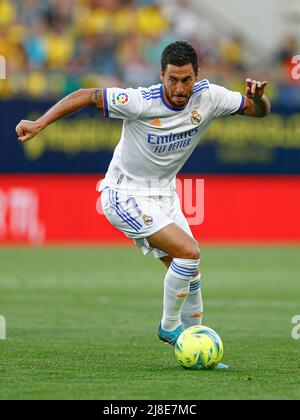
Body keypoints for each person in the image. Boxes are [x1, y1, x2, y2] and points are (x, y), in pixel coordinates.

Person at [16, 41, 270, 369]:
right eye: (173, 80)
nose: (180, 88)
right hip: (124, 194)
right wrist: (39, 123)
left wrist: (259, 97)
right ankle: (168, 327)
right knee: (189, 252)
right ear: (160, 75)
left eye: (187, 80)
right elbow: (86, 95)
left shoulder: (211, 97)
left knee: (190, 272)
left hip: (164, 195)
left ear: (197, 76)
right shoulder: (139, 101)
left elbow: (259, 112)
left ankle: (196, 344)